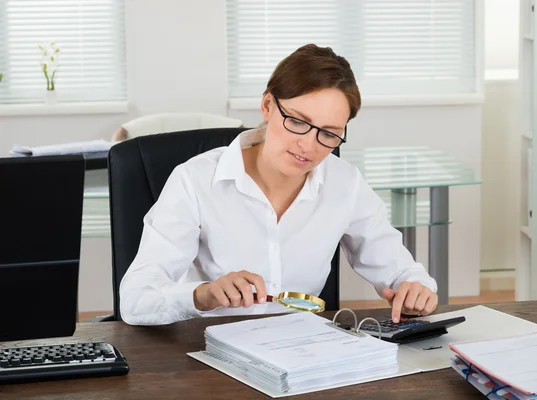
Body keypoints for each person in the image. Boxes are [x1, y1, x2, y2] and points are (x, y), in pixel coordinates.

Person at [120, 44, 438, 326]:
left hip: (302, 353)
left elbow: (400, 271)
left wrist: (415, 288)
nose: (308, 146)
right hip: (208, 351)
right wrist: (204, 295)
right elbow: (136, 300)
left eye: (328, 133)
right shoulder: (196, 180)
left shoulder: (345, 183)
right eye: (297, 122)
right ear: (268, 106)